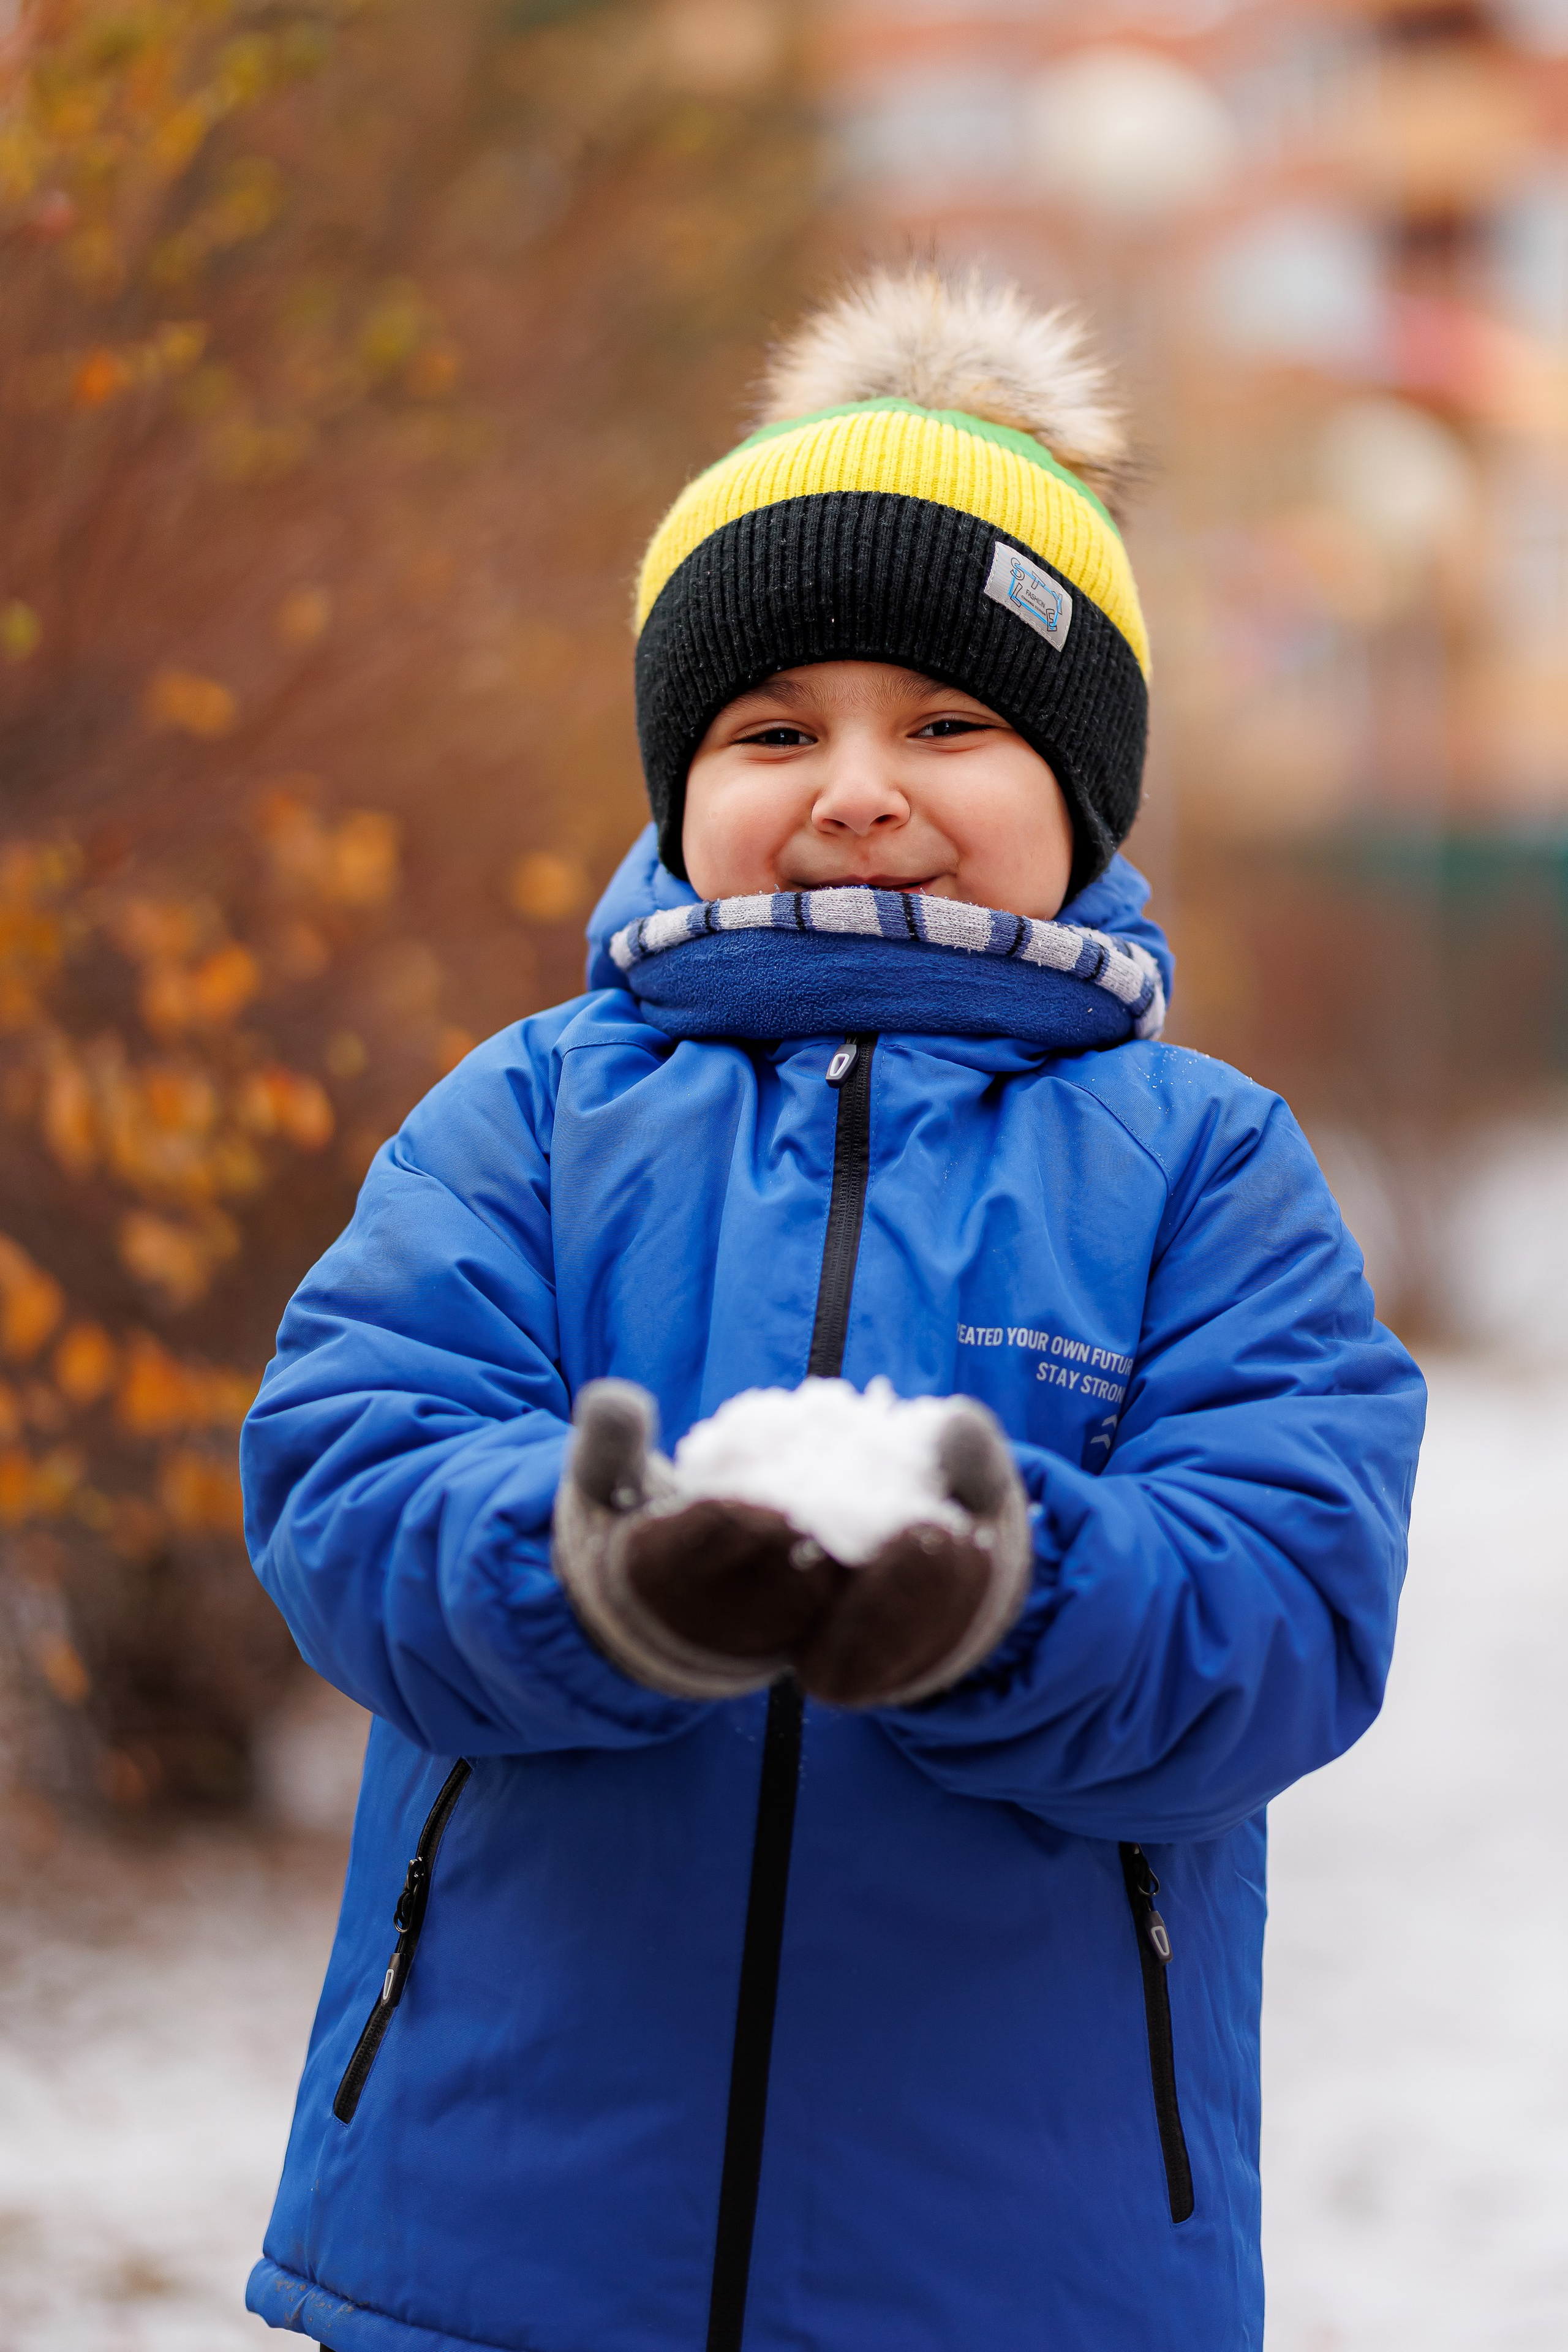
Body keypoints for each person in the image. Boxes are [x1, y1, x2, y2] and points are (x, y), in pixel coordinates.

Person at [241, 266, 1425, 2352]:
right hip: (509, 2242)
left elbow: (1292, 1594)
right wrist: (586, 1574)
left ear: (1080, 791)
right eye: (773, 729)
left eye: (949, 724)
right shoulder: (525, 1119)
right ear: (675, 787)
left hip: (1006, 2272)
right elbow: (352, 1477)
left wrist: (1010, 1598)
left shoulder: (1207, 1168)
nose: (857, 785)